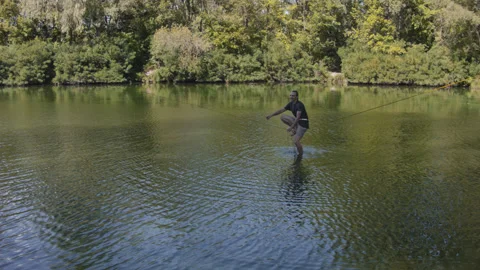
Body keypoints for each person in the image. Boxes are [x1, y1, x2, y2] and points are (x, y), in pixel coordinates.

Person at [266, 90, 309, 156]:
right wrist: (271, 115)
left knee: (296, 141)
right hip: (297, 121)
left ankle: (300, 156)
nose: (291, 97)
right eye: (290, 95)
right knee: (283, 116)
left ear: (296, 97)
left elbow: (298, 117)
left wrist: (291, 127)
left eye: (293, 96)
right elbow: (281, 110)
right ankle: (295, 130)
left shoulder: (299, 105)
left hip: (303, 123)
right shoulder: (291, 104)